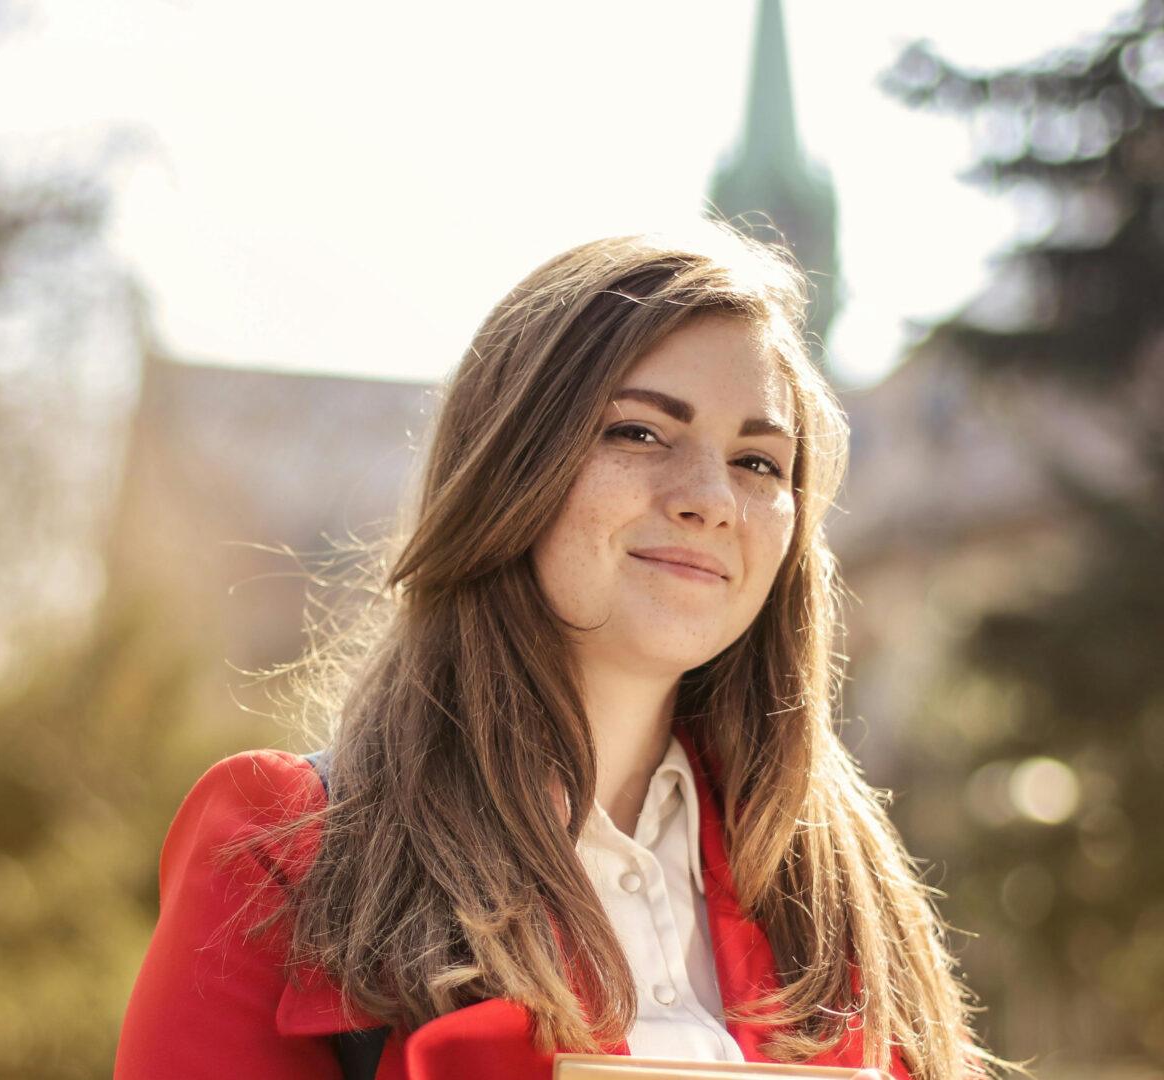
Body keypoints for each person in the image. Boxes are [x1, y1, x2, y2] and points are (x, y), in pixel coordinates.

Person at [115, 226, 1002, 1080]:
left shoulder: (850, 896)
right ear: (511, 464)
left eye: (760, 462)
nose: (710, 498)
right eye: (640, 432)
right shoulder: (285, 849)